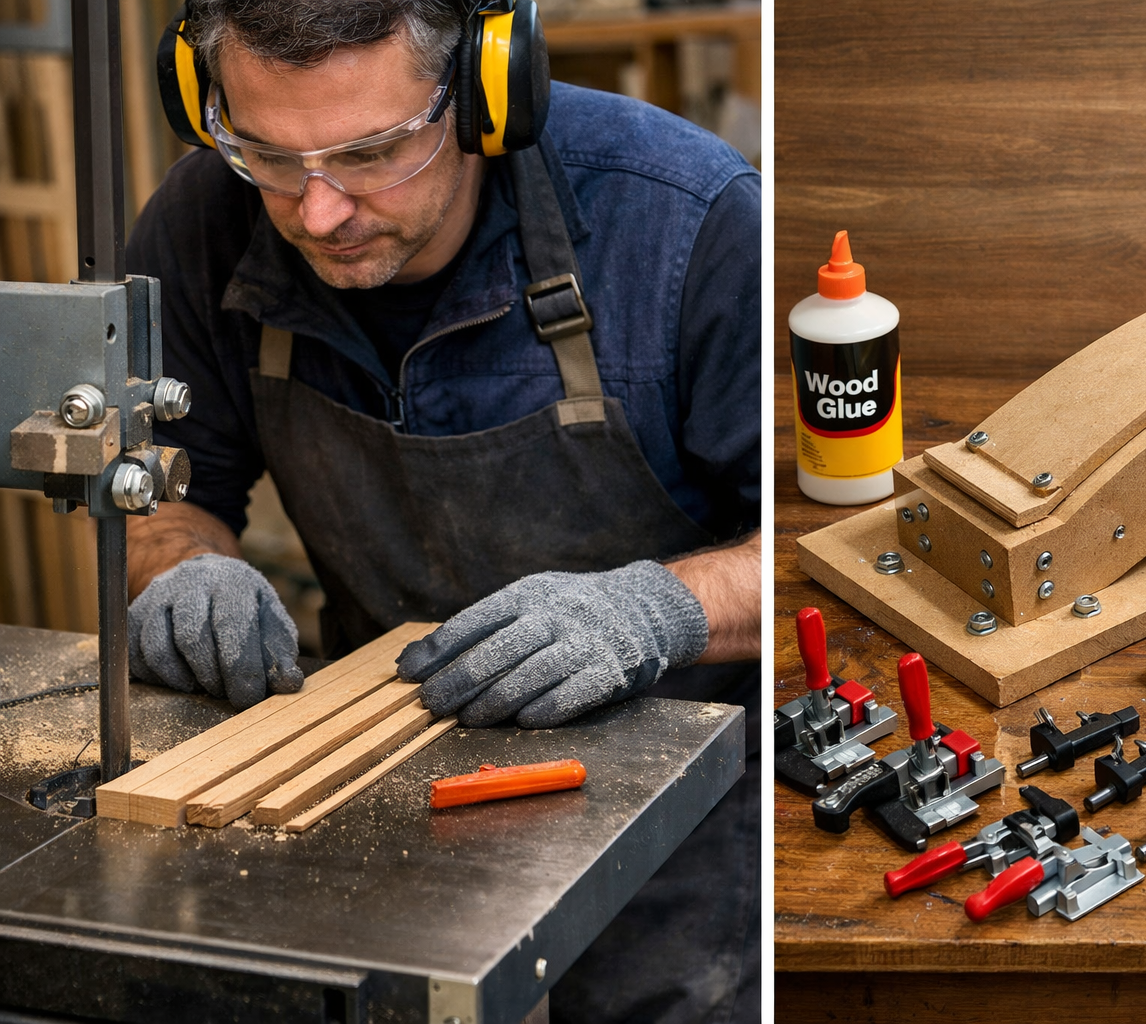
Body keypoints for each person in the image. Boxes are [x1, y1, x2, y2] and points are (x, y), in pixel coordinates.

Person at [123, 1, 761, 1021]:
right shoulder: (206, 217)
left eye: (372, 152)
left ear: (481, 93)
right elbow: (166, 488)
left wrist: (657, 611)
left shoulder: (688, 219)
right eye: (270, 157)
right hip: (369, 791)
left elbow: (822, 551)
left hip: (675, 831)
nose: (319, 211)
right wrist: (178, 567)